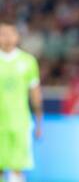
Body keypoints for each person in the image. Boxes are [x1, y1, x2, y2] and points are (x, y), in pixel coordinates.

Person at [0, 22, 43, 182]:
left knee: (18, 169)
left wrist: (39, 123)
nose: (7, 37)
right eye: (2, 34)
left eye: (10, 33)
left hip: (20, 123)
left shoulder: (28, 61)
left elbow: (35, 94)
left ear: (17, 37)